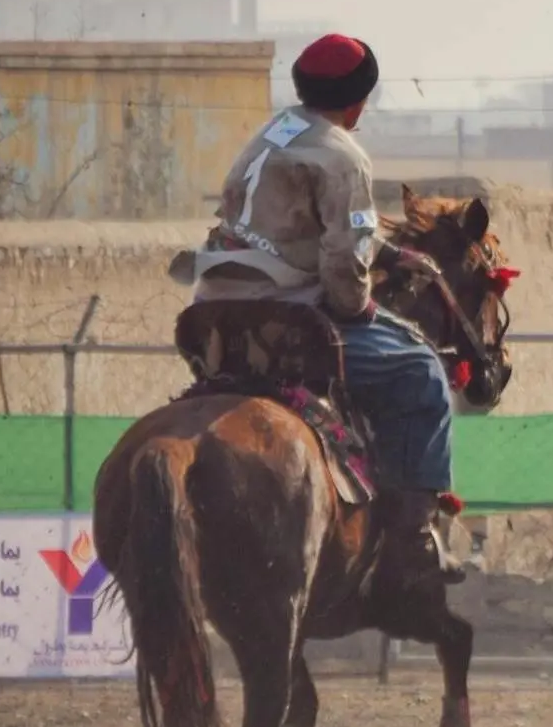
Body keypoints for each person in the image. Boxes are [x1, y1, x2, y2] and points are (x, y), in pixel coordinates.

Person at [187, 33, 456, 587]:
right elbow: (341, 263)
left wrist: (394, 254)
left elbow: (292, 229)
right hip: (284, 312)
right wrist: (358, 309)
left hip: (214, 309)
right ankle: (414, 534)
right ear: (358, 101)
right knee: (421, 369)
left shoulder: (273, 133)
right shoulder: (344, 154)